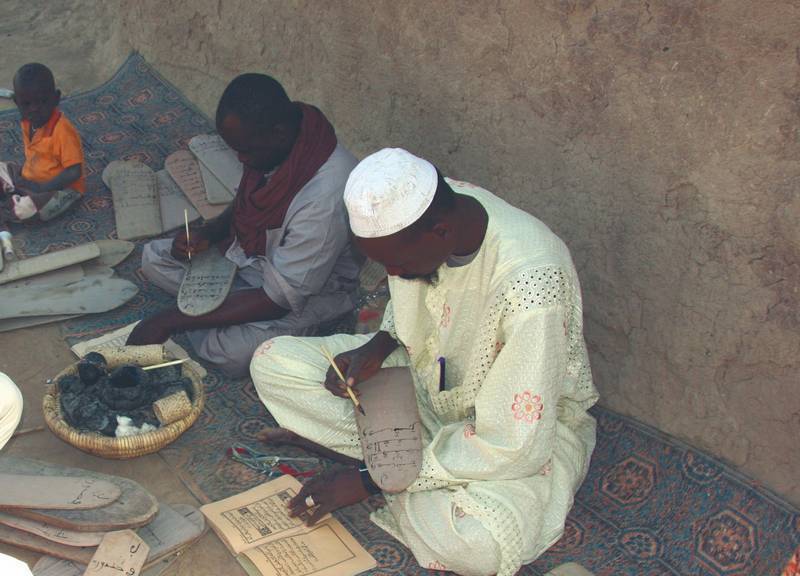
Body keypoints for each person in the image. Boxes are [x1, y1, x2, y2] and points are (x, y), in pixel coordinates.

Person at [250, 148, 599, 576]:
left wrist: (368, 481)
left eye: (396, 263)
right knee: (272, 361)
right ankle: (401, 466)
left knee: (477, 545)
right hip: (425, 379)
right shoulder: (435, 207)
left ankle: (385, 466)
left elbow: (514, 444)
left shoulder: (532, 287)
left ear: (441, 232)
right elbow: (411, 313)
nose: (393, 274)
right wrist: (377, 346)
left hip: (514, 433)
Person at [127, 74, 361, 377]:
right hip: (249, 260)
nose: (241, 159)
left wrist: (169, 321)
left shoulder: (324, 198)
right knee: (155, 258)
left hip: (308, 295)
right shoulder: (277, 145)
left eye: (247, 151)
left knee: (229, 353)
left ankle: (225, 315)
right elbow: (245, 202)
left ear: (278, 133)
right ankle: (221, 311)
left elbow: (278, 301)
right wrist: (210, 232)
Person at [1, 63, 85, 222]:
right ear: (17, 102)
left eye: (42, 102)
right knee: (2, 169)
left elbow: (74, 172)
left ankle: (10, 208)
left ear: (56, 98)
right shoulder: (27, 121)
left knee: (28, 208)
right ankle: (13, 198)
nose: (34, 109)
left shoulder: (62, 130)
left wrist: (42, 188)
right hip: (30, 181)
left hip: (59, 189)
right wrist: (28, 180)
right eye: (26, 104)